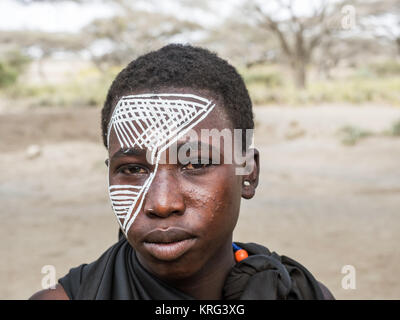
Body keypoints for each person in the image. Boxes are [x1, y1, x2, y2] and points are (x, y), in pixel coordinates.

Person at [30, 44, 334, 300]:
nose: (162, 203)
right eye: (133, 168)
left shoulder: (298, 294)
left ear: (248, 173)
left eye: (196, 164)